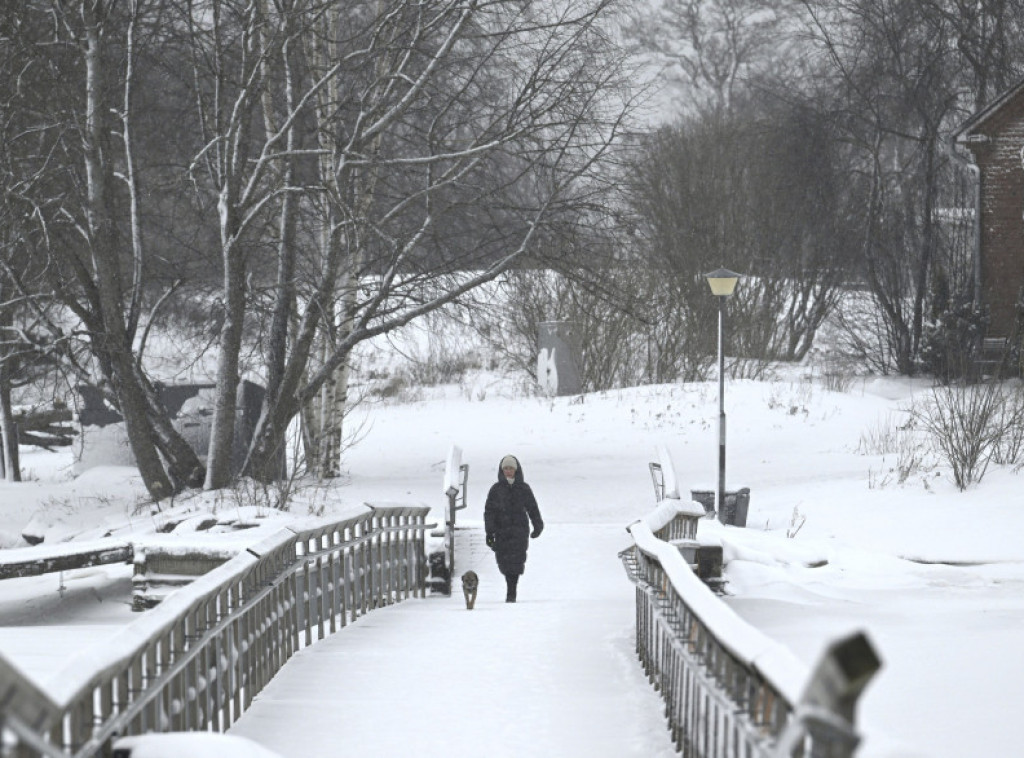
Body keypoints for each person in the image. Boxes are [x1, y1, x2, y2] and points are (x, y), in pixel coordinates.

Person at [484, 454, 543, 602]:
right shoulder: (496, 489)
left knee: (517, 561)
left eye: (511, 468)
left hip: (519, 530)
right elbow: (489, 511)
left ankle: (512, 591)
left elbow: (532, 508)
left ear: (516, 470)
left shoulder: (523, 488)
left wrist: (538, 525)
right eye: (506, 468)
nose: (508, 471)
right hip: (502, 531)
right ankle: (510, 587)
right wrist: (489, 532)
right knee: (503, 561)